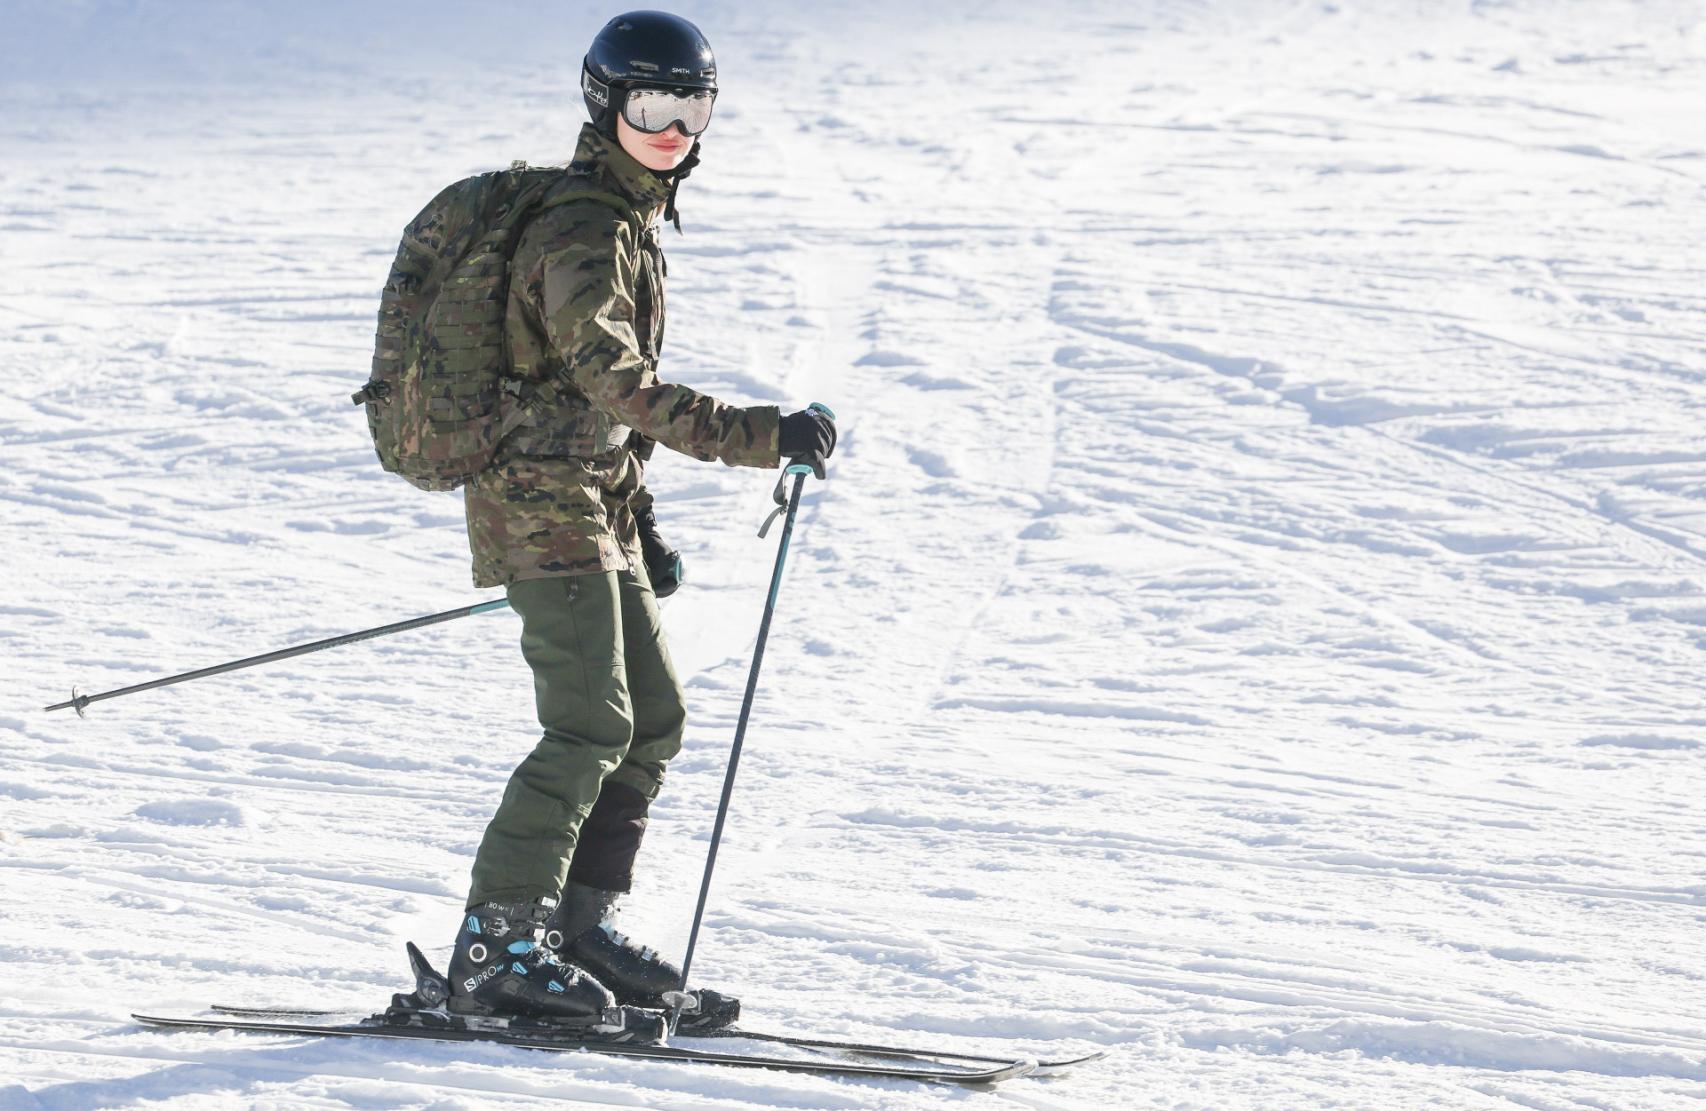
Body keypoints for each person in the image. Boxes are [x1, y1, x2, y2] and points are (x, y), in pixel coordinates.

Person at [443, 11, 838, 1026]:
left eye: (694, 104)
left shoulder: (626, 219)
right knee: (589, 723)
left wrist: (639, 519)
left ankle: (574, 927)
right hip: (536, 504)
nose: (674, 127)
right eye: (653, 104)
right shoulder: (581, 225)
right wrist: (759, 434)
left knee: (651, 717)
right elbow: (610, 379)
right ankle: (497, 947)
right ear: (605, 103)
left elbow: (590, 414)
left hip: (588, 501)